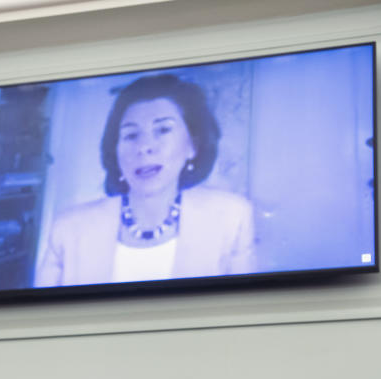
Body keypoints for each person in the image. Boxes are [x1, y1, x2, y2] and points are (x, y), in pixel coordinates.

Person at [35, 73, 256, 287]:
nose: (144, 148)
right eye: (131, 135)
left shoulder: (232, 218)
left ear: (193, 146)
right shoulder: (69, 229)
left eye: (162, 130)